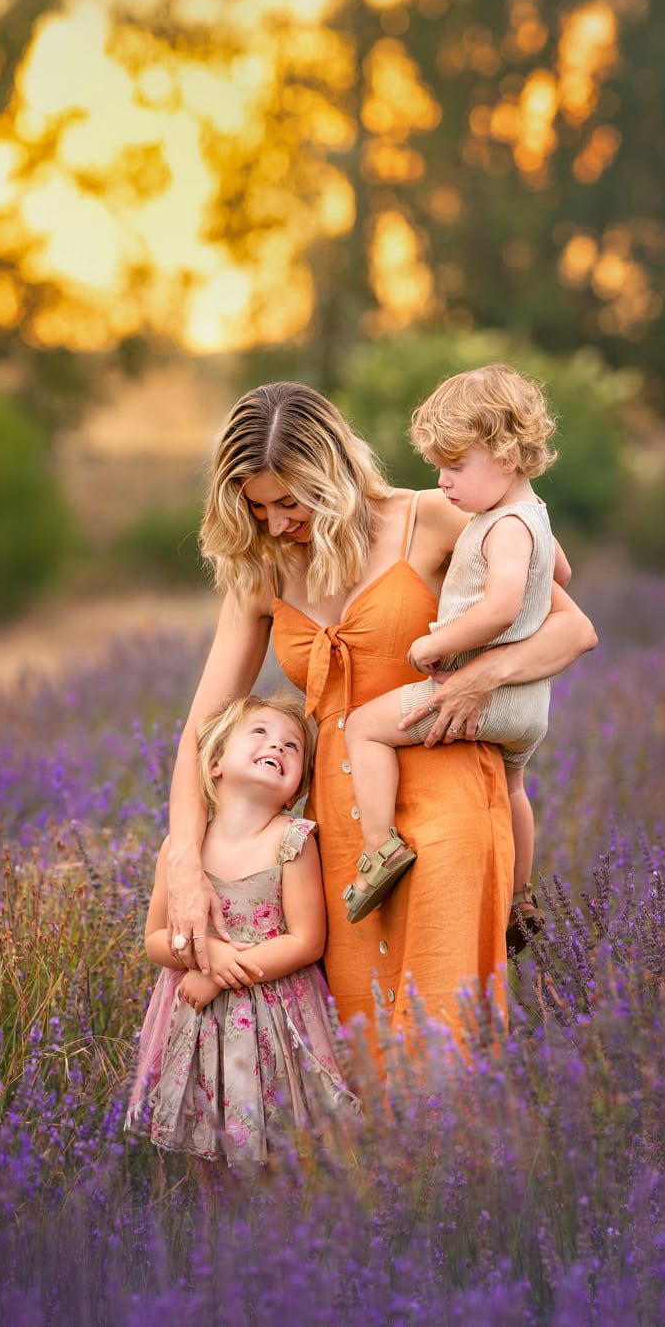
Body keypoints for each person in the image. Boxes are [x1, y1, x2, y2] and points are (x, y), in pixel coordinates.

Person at [164, 381, 597, 1046]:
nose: (277, 523)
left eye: (290, 500)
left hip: (450, 805)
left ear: (334, 472)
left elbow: (569, 627)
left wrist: (478, 679)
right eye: (257, 508)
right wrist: (186, 864)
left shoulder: (433, 517)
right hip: (343, 839)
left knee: (438, 1047)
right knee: (355, 1056)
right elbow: (203, 729)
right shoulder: (265, 572)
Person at [342, 364, 568, 954]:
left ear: (511, 456)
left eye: (456, 466)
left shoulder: (505, 528)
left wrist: (433, 645)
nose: (443, 482)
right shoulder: (532, 517)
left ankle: (379, 846)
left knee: (364, 727)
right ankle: (517, 897)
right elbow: (560, 576)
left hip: (483, 694)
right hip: (527, 707)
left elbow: (499, 609)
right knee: (513, 790)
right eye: (438, 467)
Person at [126, 692, 358, 1165]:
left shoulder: (292, 841)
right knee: (206, 1130)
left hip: (274, 1013)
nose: (278, 747)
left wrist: (215, 971)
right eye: (260, 733)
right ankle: (217, 1233)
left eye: (293, 747)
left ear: (294, 790)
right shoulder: (181, 849)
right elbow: (154, 940)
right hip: (196, 1019)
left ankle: (286, 1226)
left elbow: (306, 940)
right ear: (215, 763)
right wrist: (205, 953)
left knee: (280, 1137)